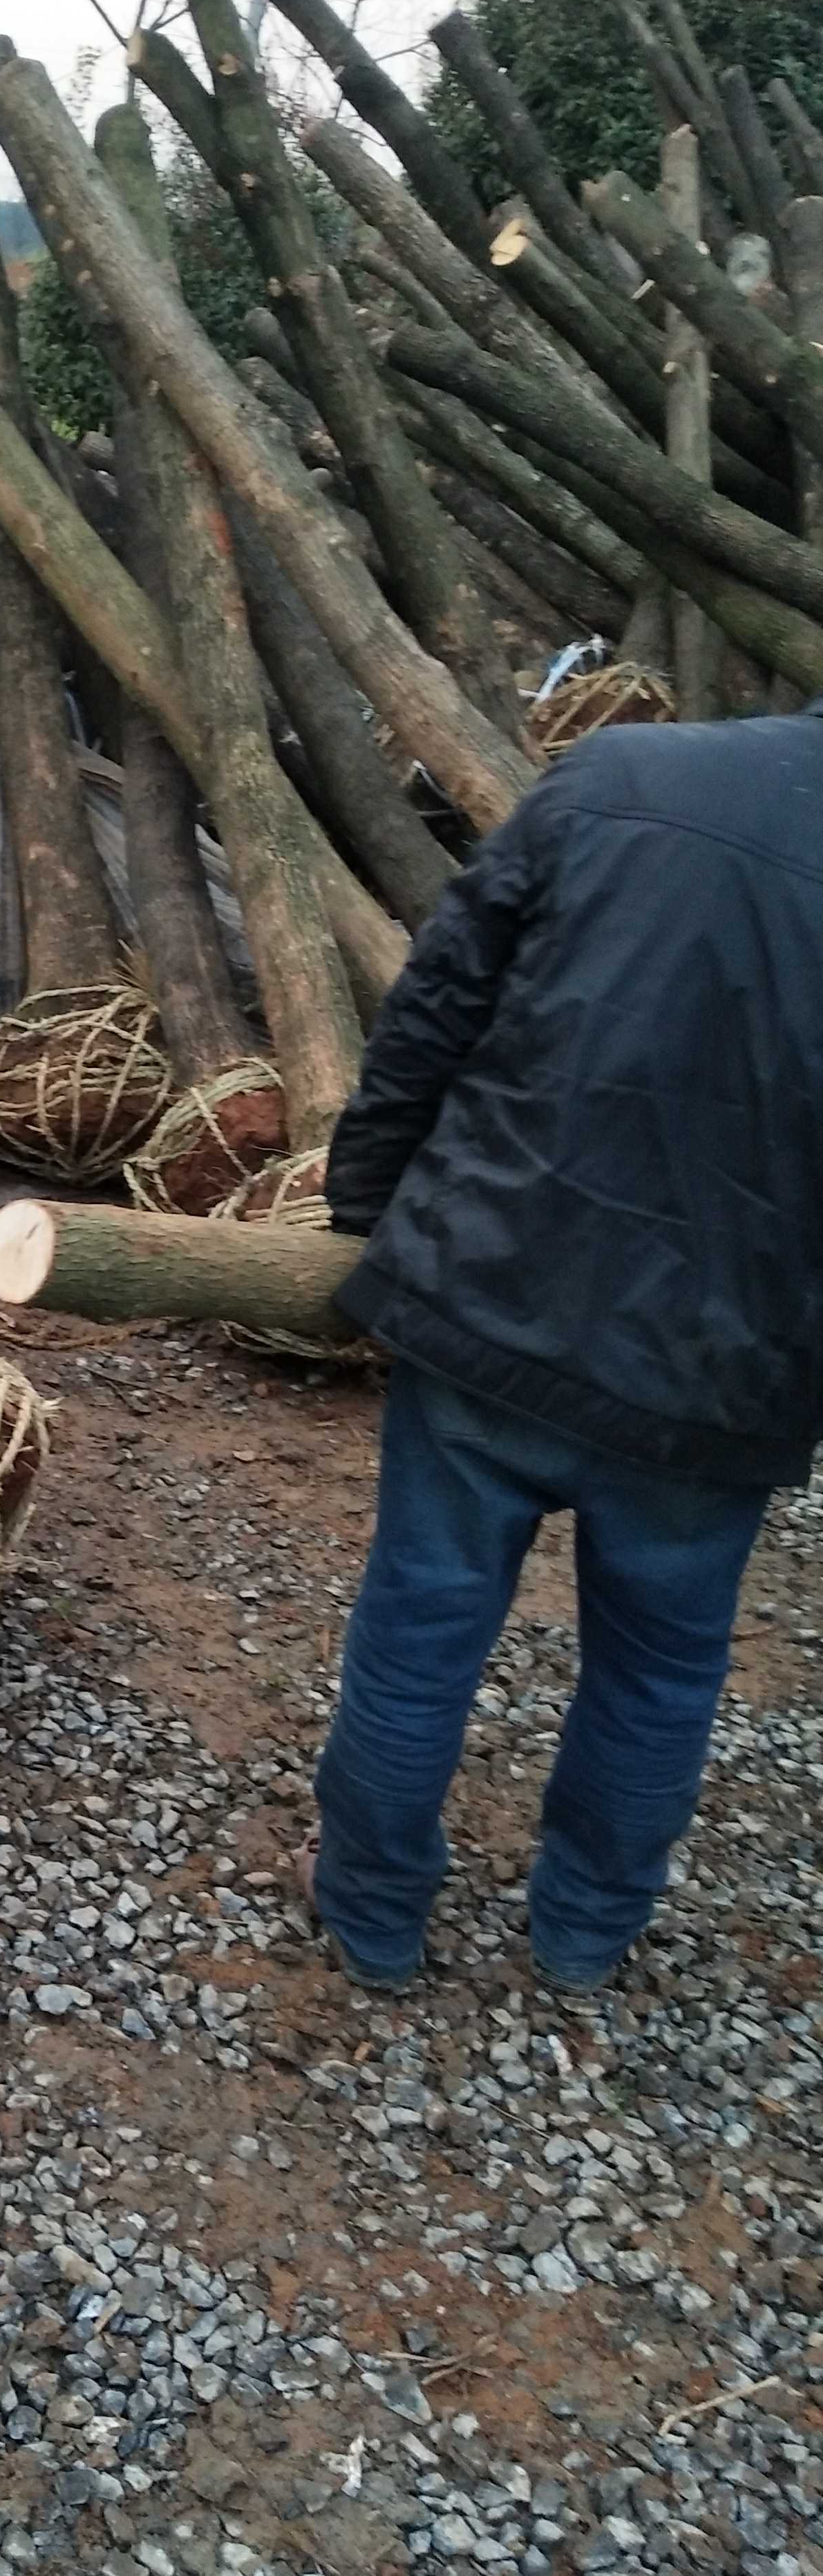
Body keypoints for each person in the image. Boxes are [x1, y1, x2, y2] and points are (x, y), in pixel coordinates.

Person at [301, 699, 823, 1997]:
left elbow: (436, 1001)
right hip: (725, 1378)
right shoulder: (618, 777)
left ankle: (372, 1914)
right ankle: (587, 1929)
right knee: (665, 1664)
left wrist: (369, 1208)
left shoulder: (623, 772)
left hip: (493, 1298)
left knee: (422, 1623)